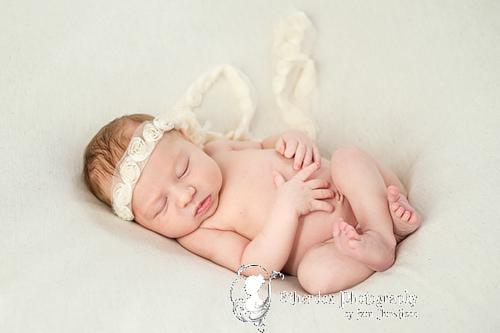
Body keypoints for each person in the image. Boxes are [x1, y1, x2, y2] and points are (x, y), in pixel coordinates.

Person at [83, 114, 420, 294]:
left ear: (189, 140)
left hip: (345, 188)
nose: (185, 195)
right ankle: (379, 238)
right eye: (161, 206)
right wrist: (286, 208)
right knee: (314, 277)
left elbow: (265, 144)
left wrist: (292, 140)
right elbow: (253, 268)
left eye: (183, 169)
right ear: (144, 225)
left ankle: (381, 225)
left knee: (349, 158)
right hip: (329, 245)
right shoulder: (199, 233)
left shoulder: (219, 151)